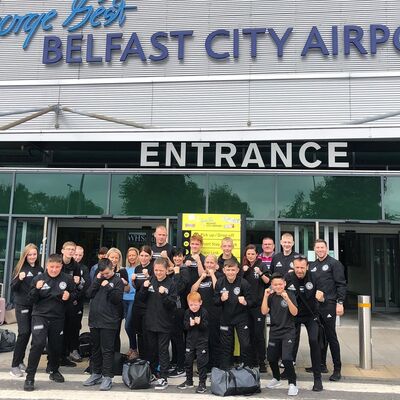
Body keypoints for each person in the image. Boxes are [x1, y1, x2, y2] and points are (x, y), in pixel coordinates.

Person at [23, 254, 77, 392]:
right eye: (51, 267)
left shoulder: (67, 279)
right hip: (40, 316)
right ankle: (30, 377)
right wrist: (36, 289)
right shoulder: (39, 279)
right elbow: (30, 300)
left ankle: (54, 370)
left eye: (57, 267)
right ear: (47, 266)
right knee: (38, 344)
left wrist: (69, 296)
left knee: (55, 346)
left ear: (61, 266)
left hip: (58, 317)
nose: (54, 270)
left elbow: (75, 293)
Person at [83, 258, 124, 391]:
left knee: (107, 350)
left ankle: (107, 376)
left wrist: (107, 286)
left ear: (113, 268)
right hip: (95, 319)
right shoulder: (98, 278)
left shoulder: (117, 281)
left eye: (107, 273)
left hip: (109, 321)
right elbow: (88, 294)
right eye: (103, 273)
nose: (105, 275)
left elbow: (117, 299)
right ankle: (96, 373)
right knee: (95, 348)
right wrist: (97, 280)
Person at [309, 239, 347, 382]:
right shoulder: (312, 265)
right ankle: (321, 364)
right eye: (317, 247)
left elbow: (341, 284)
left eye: (322, 247)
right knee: (319, 336)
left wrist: (340, 303)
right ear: (315, 249)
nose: (320, 250)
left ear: (326, 248)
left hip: (329, 305)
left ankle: (337, 369)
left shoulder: (334, 264)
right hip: (315, 306)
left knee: (331, 337)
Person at [137, 257, 178, 390]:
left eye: (161, 270)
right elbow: (141, 300)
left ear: (166, 270)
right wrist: (143, 289)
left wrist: (163, 295)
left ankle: (164, 377)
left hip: (164, 323)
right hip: (150, 321)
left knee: (163, 350)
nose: (158, 272)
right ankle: (153, 374)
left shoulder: (171, 284)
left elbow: (172, 305)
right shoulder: (150, 281)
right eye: (156, 270)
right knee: (151, 350)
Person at [285, 255, 324, 391]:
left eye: (302, 267)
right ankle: (289, 374)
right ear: (293, 267)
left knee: (314, 341)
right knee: (291, 342)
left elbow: (323, 294)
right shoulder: (288, 278)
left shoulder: (314, 277)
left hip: (310, 315)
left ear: (307, 267)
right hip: (294, 315)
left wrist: (322, 297)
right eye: (297, 267)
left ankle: (317, 378)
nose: (300, 270)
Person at [261, 273, 299, 396]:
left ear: (284, 284)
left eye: (280, 284)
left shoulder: (290, 294)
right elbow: (264, 311)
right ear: (271, 285)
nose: (278, 286)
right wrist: (265, 296)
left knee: (287, 358)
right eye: (275, 284)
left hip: (288, 331)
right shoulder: (271, 296)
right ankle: (276, 378)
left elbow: (295, 313)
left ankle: (292, 384)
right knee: (271, 358)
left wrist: (287, 299)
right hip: (274, 331)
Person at [10, 244, 44, 377]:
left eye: (34, 254)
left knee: (29, 333)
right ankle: (14, 365)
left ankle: (20, 361)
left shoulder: (40, 270)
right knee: (23, 333)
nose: (32, 257)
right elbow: (13, 287)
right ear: (25, 256)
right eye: (29, 254)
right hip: (22, 305)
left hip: (34, 306)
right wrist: (19, 278)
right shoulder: (20, 268)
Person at [214, 259, 253, 370]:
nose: (230, 272)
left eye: (233, 270)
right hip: (226, 318)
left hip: (241, 318)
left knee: (245, 344)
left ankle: (246, 367)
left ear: (237, 270)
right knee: (226, 345)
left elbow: (251, 302)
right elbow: (215, 301)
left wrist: (245, 301)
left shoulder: (243, 283)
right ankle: (226, 368)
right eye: (228, 270)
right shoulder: (220, 282)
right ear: (224, 270)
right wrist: (221, 299)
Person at [242, 244, 270, 372]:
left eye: (252, 254)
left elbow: (268, 282)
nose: (250, 256)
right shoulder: (244, 267)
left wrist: (260, 273)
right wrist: (245, 271)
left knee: (259, 334)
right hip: (246, 306)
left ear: (256, 254)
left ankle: (262, 362)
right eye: (248, 254)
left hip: (259, 306)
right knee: (249, 334)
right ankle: (251, 360)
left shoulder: (261, 264)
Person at [192, 254, 221, 370]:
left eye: (211, 263)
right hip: (202, 314)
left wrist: (213, 274)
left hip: (214, 314)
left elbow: (217, 288)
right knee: (204, 340)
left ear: (216, 265)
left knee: (214, 340)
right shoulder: (202, 277)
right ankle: (206, 365)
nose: (209, 265)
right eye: (207, 263)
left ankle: (215, 365)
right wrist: (200, 278)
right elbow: (192, 291)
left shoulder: (218, 276)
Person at [178, 291, 209, 394]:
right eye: (191, 305)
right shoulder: (187, 312)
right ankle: (189, 380)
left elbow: (205, 326)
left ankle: (202, 383)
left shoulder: (204, 312)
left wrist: (199, 323)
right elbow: (184, 327)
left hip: (201, 341)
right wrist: (190, 324)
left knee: (201, 362)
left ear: (200, 302)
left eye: (195, 304)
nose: (193, 307)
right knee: (188, 360)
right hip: (190, 341)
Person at [168, 248, 190, 378]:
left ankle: (181, 367)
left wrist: (176, 274)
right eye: (175, 257)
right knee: (173, 336)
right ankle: (175, 362)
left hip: (180, 309)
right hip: (172, 309)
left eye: (179, 256)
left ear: (183, 258)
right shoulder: (174, 270)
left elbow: (178, 289)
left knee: (178, 338)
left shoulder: (184, 271)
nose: (177, 259)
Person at [60, 241, 81, 367]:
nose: (71, 251)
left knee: (69, 330)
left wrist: (76, 284)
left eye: (73, 249)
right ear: (62, 250)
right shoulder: (57, 262)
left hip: (69, 302)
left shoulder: (76, 266)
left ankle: (64, 356)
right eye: (68, 249)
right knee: (57, 331)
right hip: (56, 302)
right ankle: (54, 357)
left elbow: (76, 286)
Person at [131, 245, 154, 359]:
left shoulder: (153, 267)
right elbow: (137, 287)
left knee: (147, 333)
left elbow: (154, 285)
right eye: (142, 255)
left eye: (146, 255)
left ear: (150, 257)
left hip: (148, 305)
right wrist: (133, 281)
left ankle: (149, 359)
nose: (144, 258)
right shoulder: (137, 268)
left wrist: (148, 276)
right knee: (138, 332)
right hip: (137, 304)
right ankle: (142, 357)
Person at [106, 247, 128, 353]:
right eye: (112, 257)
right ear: (107, 257)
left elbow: (127, 290)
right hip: (104, 304)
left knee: (115, 332)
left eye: (116, 258)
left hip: (117, 305)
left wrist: (126, 283)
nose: (114, 260)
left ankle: (115, 358)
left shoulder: (122, 271)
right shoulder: (102, 269)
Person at [123, 247, 139, 360]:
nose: (131, 257)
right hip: (124, 299)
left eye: (134, 255)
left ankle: (134, 348)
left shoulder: (139, 269)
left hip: (134, 299)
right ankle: (132, 347)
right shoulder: (124, 269)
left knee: (128, 325)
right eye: (130, 255)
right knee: (130, 326)